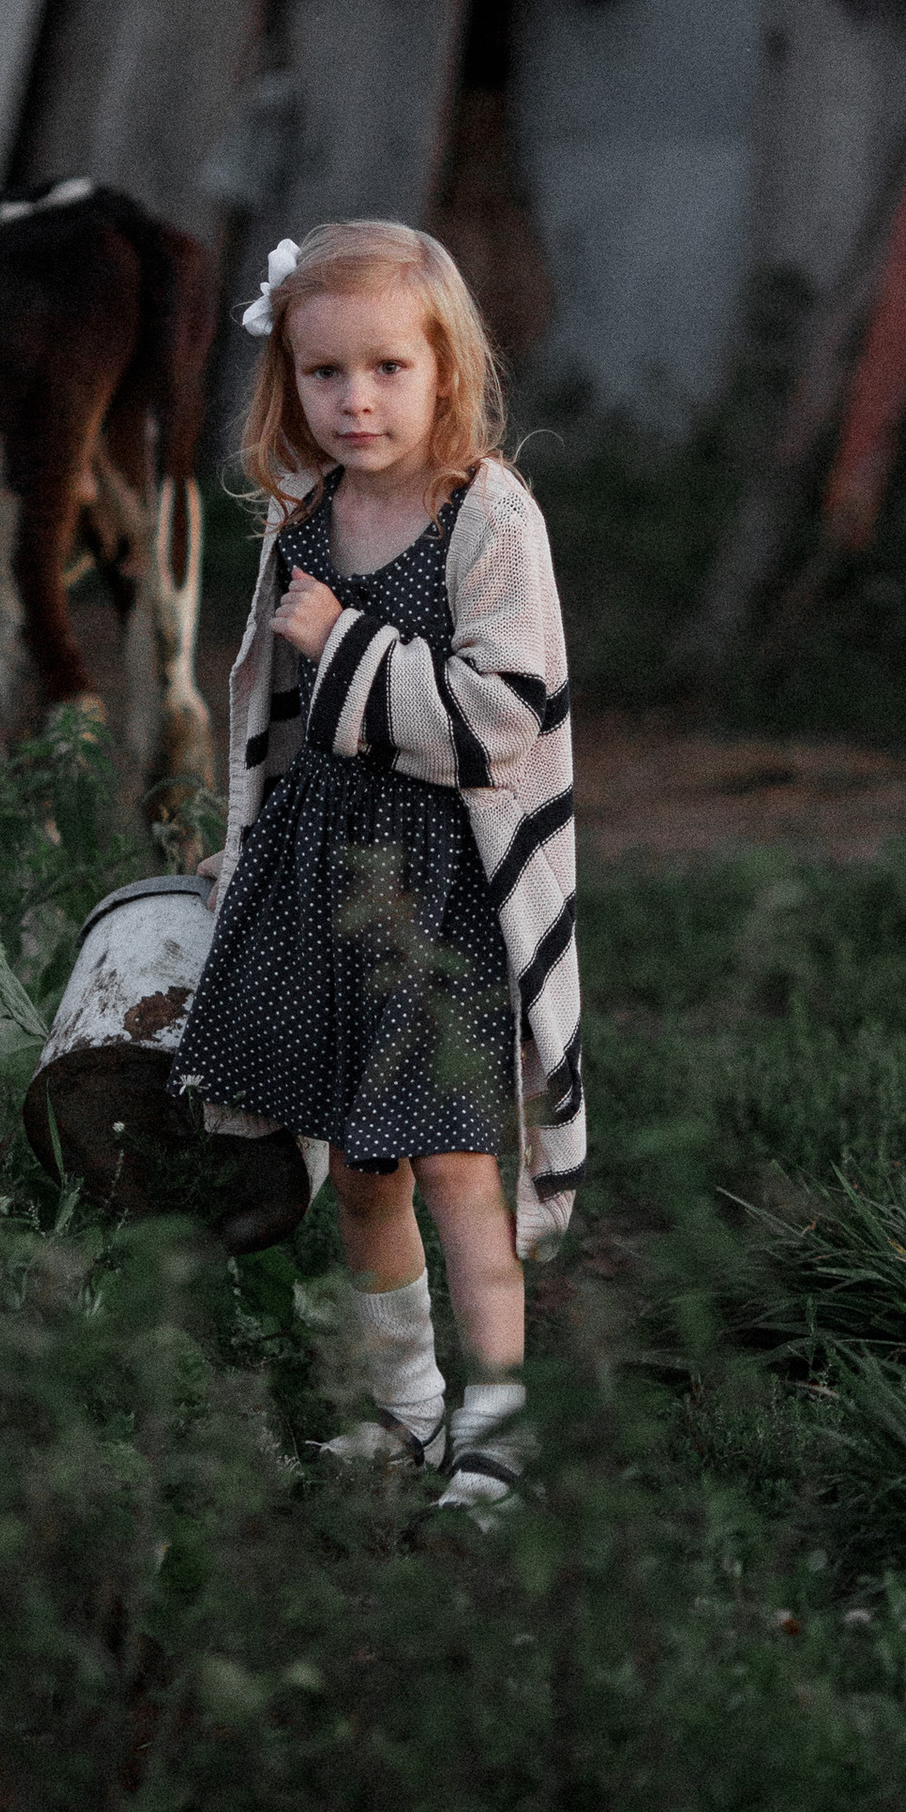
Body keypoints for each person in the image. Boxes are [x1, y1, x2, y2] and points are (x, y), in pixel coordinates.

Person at [179, 218, 584, 1517]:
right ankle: (403, 1410)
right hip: (326, 883)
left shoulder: (488, 519)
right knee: (360, 1169)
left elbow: (500, 721)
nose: (356, 400)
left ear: (446, 371)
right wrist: (243, 837)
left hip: (446, 901)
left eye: (388, 369)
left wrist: (347, 641)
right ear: (284, 384)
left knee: (463, 1164)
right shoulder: (305, 520)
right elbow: (277, 717)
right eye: (324, 374)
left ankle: (501, 1432)